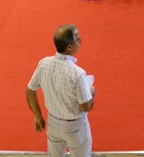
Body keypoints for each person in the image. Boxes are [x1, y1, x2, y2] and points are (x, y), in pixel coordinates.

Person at [25, 24, 96, 157]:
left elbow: (29, 91)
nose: (80, 42)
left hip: (53, 122)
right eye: (78, 39)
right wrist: (91, 92)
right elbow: (85, 106)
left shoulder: (44, 63)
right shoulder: (78, 73)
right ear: (69, 47)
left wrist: (38, 115)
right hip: (75, 127)